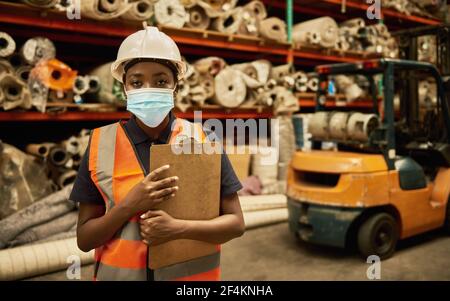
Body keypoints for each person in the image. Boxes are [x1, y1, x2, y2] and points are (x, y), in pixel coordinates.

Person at [69, 26, 245, 281]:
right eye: (137, 82)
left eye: (161, 80)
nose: (148, 88)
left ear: (175, 86)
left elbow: (236, 224)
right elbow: (84, 240)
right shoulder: (100, 143)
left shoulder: (203, 140)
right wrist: (130, 205)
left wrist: (179, 229)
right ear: (125, 88)